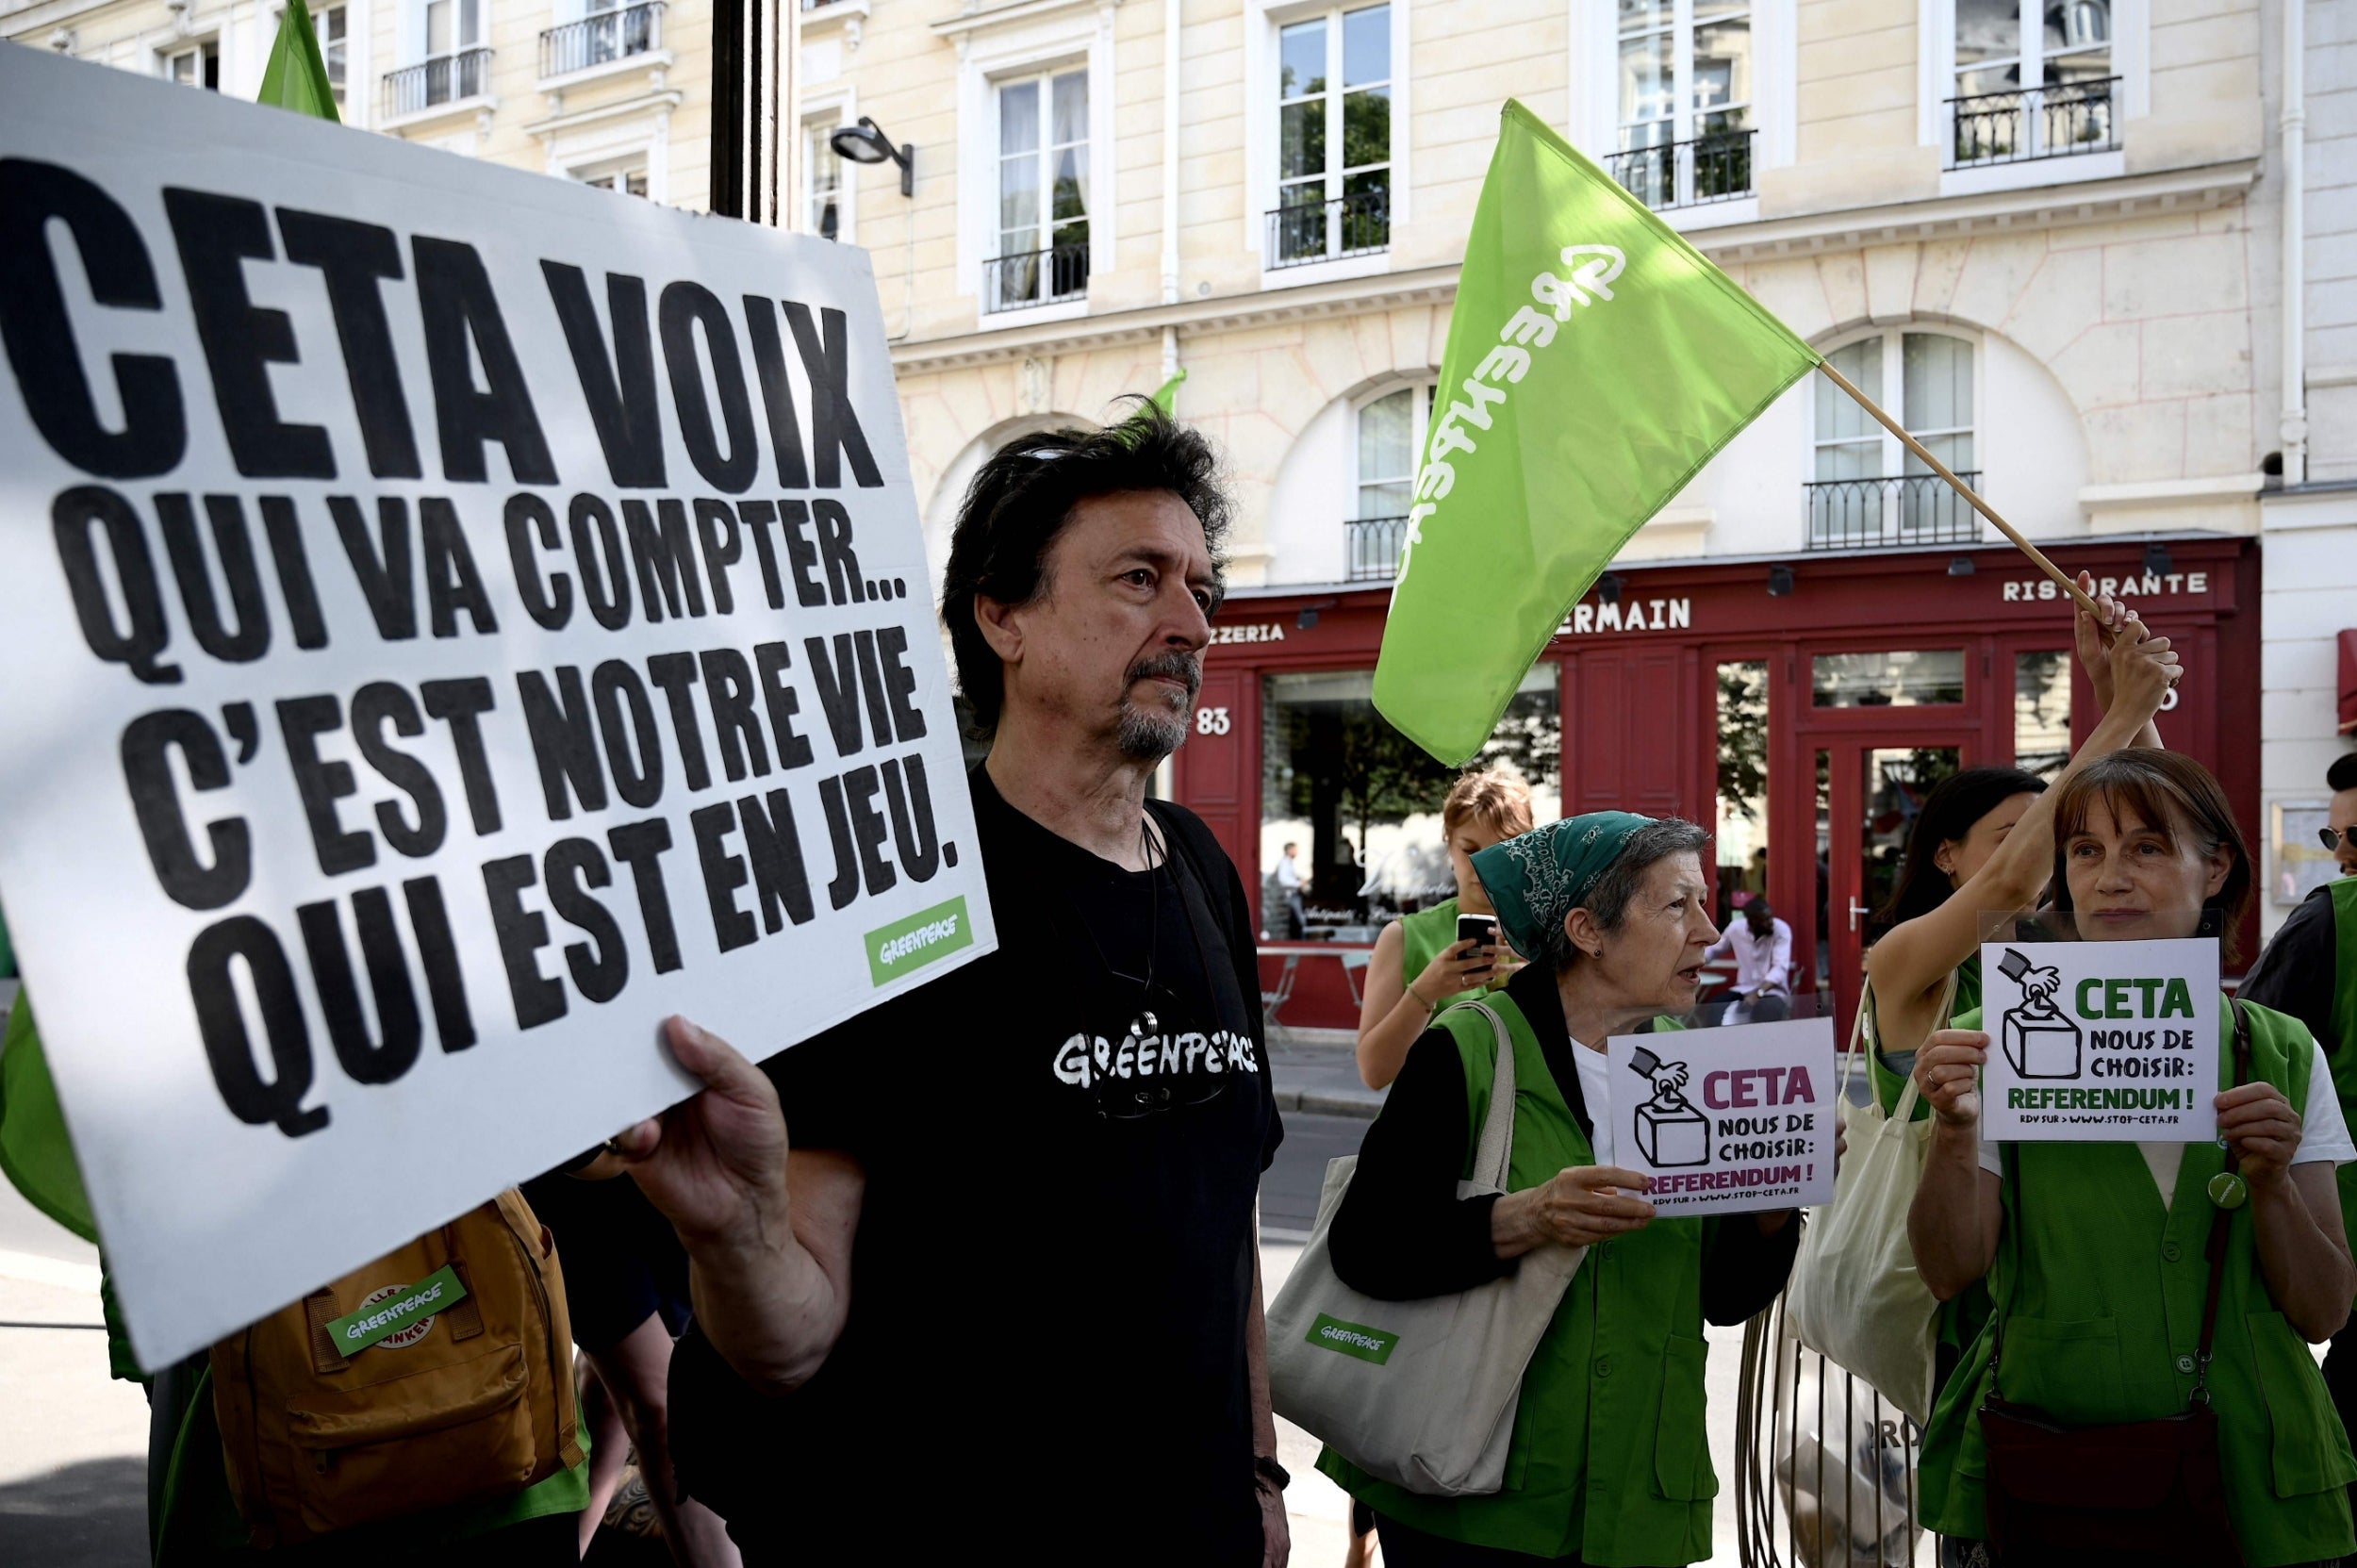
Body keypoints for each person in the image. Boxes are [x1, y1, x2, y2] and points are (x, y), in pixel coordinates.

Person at [615, 405, 1288, 1565]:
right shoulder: (893, 893)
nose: (1189, 624)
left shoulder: (1205, 871)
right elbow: (792, 1340)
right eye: (1140, 579)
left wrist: (1260, 1472)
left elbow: (1222, 1228)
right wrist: (736, 1235)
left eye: (1202, 590)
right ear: (1001, 615)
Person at [1909, 749, 2357, 1567]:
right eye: (2086, 850)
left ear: (2215, 866)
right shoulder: (1997, 1039)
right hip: (2050, 1469)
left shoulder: (2281, 1050)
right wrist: (1949, 1132)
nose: (2111, 876)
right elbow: (1949, 1269)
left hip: (2252, 1482)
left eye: (2147, 847)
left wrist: (2271, 1188)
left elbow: (2325, 1310)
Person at [1320, 812, 1803, 1565]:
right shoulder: (1471, 1046)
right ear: (1587, 929)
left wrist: (1771, 1203)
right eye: (1678, 905)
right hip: (1471, 1500)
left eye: (1706, 903)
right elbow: (1366, 1247)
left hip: (1637, 1500)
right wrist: (1526, 1217)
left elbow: (1721, 1295)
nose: (1710, 931)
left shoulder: (1694, 1062)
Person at [2237, 748, 2357, 1478]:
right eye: (2333, 836)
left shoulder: (2330, 921)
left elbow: (2240, 1045)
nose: (2343, 854)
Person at [1356, 770, 1537, 1089]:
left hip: (1526, 1132)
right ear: (1449, 845)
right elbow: (1374, 1073)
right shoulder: (1404, 936)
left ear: (1526, 850)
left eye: (1504, 849)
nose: (1485, 865)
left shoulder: (1554, 934)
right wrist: (1425, 992)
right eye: (1470, 849)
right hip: (1434, 1131)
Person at [1701, 896, 1792, 1025]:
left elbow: (1780, 968)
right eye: (1765, 919)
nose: (1770, 922)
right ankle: (1717, 1043)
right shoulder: (1736, 929)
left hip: (1771, 991)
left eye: (1770, 917)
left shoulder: (1781, 930)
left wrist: (1758, 993)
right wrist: (1693, 961)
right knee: (1715, 1007)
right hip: (1743, 988)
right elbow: (1715, 950)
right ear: (1752, 922)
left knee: (1766, 1009)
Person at [1276, 839, 1309, 937]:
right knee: (1300, 919)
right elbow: (1284, 880)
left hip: (1293, 894)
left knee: (1295, 919)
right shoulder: (1285, 863)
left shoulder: (1288, 862)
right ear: (1289, 850)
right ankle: (1303, 939)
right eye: (1295, 849)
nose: (1296, 852)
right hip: (1290, 895)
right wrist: (1299, 883)